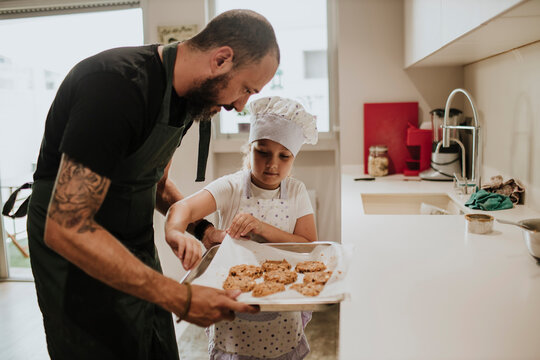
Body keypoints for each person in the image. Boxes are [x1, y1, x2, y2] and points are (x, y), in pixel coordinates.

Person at [25, 9, 280, 360]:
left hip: (133, 246)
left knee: (152, 345)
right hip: (75, 261)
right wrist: (181, 297)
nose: (240, 105)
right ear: (221, 60)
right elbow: (66, 226)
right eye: (245, 89)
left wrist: (203, 231)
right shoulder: (116, 87)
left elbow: (156, 185)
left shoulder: (188, 101)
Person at [165, 96, 318, 359]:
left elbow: (307, 246)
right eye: (263, 152)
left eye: (284, 156)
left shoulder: (296, 191)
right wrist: (176, 231)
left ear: (293, 158)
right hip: (233, 317)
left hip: (282, 316)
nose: (273, 164)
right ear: (250, 149)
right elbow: (183, 209)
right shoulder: (232, 187)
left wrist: (262, 228)